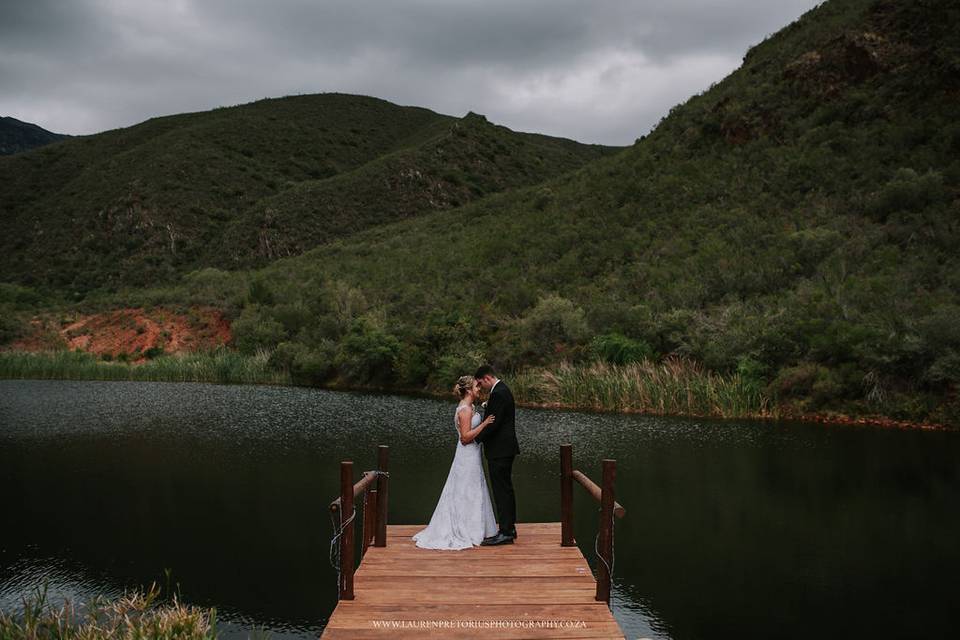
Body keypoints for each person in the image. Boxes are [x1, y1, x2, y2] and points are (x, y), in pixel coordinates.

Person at [412, 376, 499, 550]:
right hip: (467, 455)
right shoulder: (465, 410)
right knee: (466, 489)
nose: (478, 389)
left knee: (471, 488)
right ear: (468, 390)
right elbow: (465, 438)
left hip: (471, 455)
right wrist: (484, 424)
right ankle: (466, 529)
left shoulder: (469, 407)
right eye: (475, 387)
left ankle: (475, 526)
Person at [474, 364, 520, 546]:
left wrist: (473, 440)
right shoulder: (501, 390)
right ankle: (510, 528)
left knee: (502, 491)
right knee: (506, 490)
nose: (481, 387)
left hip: (500, 451)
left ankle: (506, 533)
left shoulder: (498, 393)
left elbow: (493, 424)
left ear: (486, 378)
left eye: (480, 383)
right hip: (504, 450)